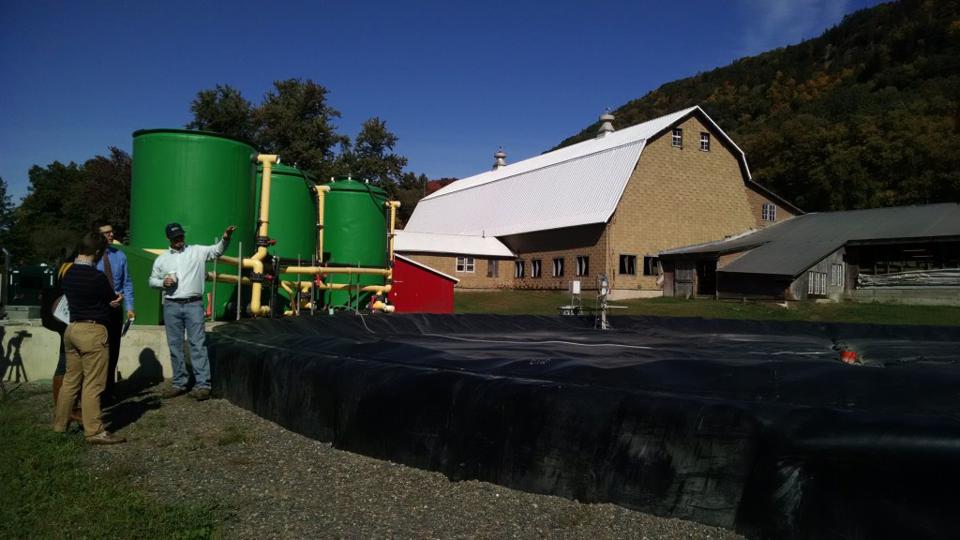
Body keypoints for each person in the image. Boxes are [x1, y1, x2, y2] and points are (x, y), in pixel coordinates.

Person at [52, 232, 126, 444]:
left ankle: (59, 425)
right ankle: (94, 431)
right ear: (96, 252)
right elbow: (111, 299)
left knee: (70, 381)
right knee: (93, 384)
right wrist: (116, 300)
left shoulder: (68, 273)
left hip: (72, 329)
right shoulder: (97, 277)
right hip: (92, 332)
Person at [149, 222, 235, 401]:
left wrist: (225, 238)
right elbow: (152, 280)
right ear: (169, 239)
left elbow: (217, 251)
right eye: (175, 238)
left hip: (193, 304)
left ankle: (203, 384)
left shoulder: (197, 251)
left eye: (180, 236)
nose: (179, 240)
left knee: (197, 343)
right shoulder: (162, 259)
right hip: (171, 304)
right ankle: (179, 383)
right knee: (175, 345)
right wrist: (161, 283)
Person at [95, 222, 135, 402]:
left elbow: (127, 283)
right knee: (97, 351)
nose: (111, 235)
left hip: (116, 311)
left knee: (113, 351)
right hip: (97, 311)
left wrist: (130, 308)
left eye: (111, 232)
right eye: (106, 233)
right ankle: (95, 391)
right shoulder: (91, 258)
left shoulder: (120, 256)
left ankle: (109, 390)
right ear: (97, 235)